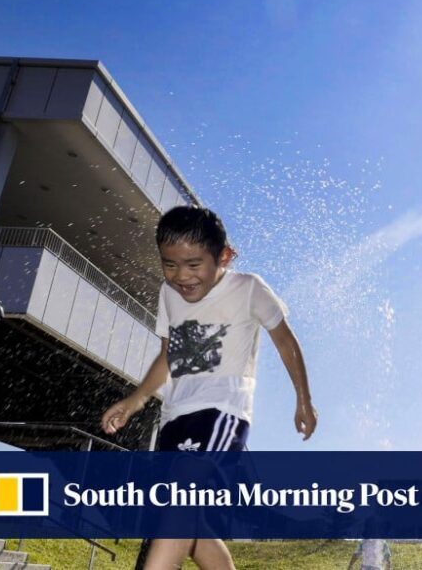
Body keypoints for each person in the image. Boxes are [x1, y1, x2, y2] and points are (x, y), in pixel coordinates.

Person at [100, 206, 318, 570]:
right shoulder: (168, 295)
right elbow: (169, 355)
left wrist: (303, 400)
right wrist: (135, 400)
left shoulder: (248, 288)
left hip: (222, 412)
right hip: (174, 420)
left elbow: (285, 341)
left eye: (193, 264)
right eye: (169, 265)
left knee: (182, 496)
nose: (181, 276)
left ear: (224, 256)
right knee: (191, 527)